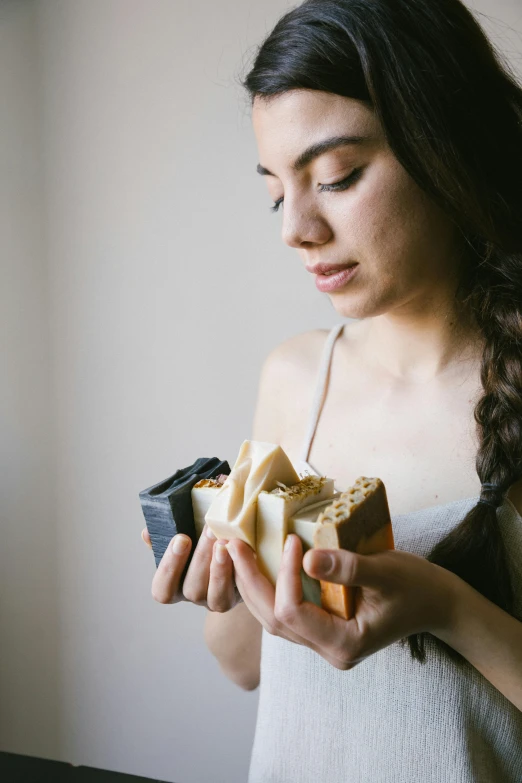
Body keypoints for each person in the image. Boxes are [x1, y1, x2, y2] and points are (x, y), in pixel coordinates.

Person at [142, 0, 522, 780]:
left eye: (337, 177)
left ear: (442, 145)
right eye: (279, 192)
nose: (295, 229)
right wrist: (228, 585)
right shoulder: (293, 378)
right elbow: (245, 665)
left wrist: (444, 607)